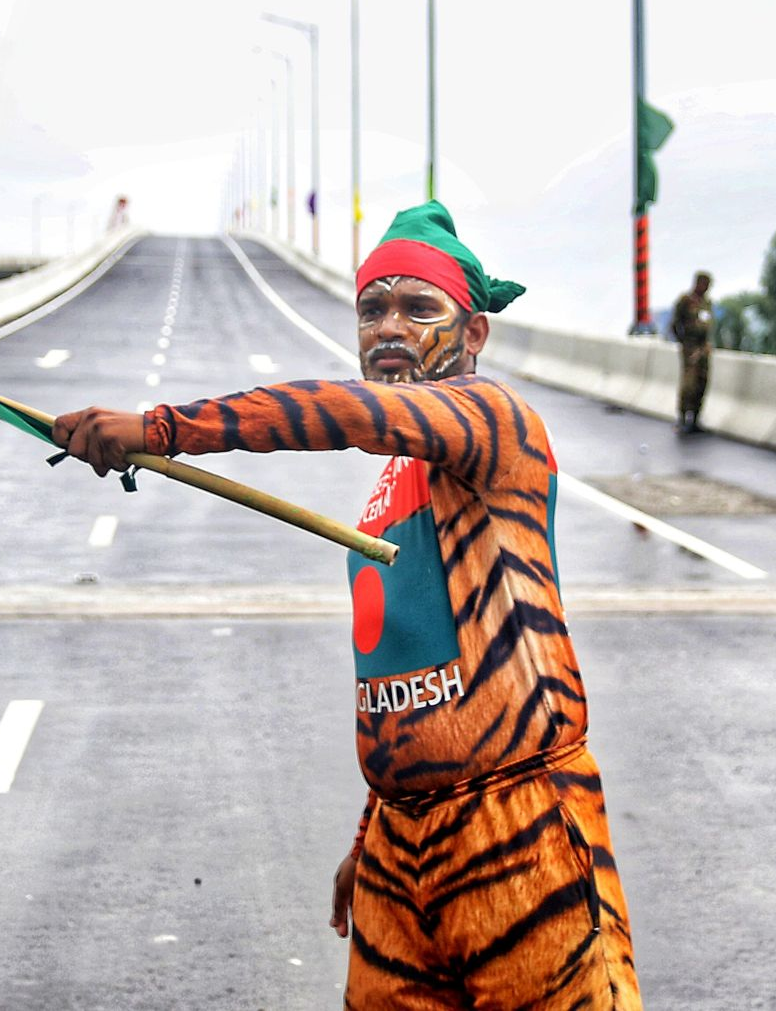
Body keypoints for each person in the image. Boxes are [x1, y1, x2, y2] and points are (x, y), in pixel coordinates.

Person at [55, 203, 641, 1010]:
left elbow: (351, 412)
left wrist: (159, 428)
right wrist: (372, 837)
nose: (389, 329)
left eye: (419, 309)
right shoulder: (390, 492)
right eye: (373, 310)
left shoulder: (497, 421)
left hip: (520, 825)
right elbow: (410, 667)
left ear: (474, 336)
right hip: (403, 852)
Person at [669, 270, 714, 433]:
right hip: (690, 346)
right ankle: (682, 418)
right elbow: (675, 324)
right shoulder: (685, 301)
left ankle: (695, 418)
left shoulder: (707, 303)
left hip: (703, 348)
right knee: (689, 384)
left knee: (702, 382)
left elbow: (708, 324)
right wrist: (684, 343)